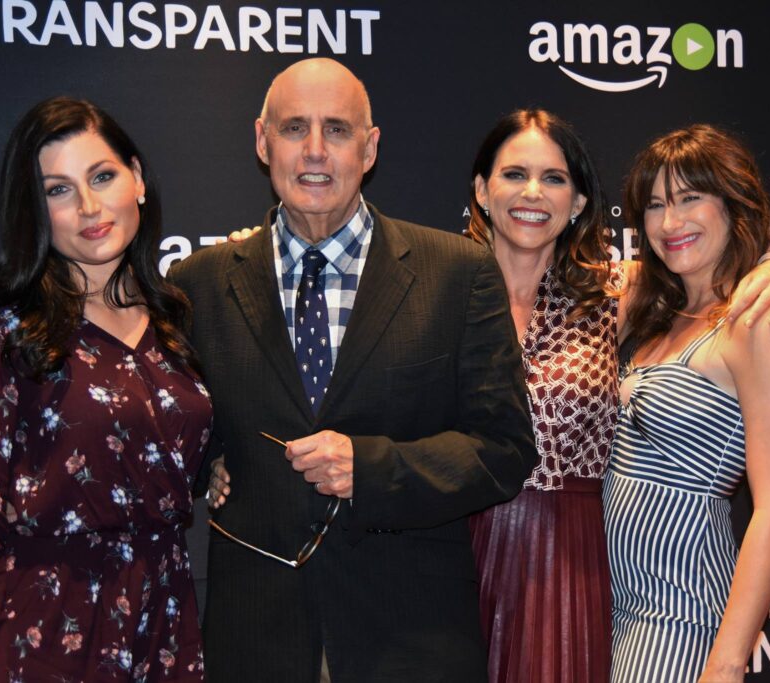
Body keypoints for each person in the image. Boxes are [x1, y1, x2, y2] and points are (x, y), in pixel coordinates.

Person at [170, 57, 537, 682]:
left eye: (337, 130)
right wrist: (212, 462)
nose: (315, 151)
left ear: (369, 149)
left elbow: (502, 450)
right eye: (294, 129)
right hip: (256, 640)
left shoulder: (459, 274)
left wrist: (367, 469)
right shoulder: (196, 286)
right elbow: (177, 432)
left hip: (409, 638)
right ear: (263, 141)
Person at [462, 112, 770, 683]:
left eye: (554, 178)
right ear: (481, 190)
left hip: (601, 577)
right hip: (488, 562)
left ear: (577, 202)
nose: (671, 221)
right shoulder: (445, 287)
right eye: (656, 205)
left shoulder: (605, 293)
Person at [0, 97, 212, 682]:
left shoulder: (175, 318)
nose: (87, 206)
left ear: (137, 180)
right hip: (42, 632)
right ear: (35, 210)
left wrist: (221, 466)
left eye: (101, 176)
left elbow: (170, 454)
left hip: (164, 621)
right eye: (57, 190)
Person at [604, 124, 770, 682]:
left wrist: (726, 664)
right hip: (616, 610)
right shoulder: (652, 305)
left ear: (732, 203)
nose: (670, 223)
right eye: (654, 206)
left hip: (681, 618)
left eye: (689, 198)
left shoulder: (759, 323)